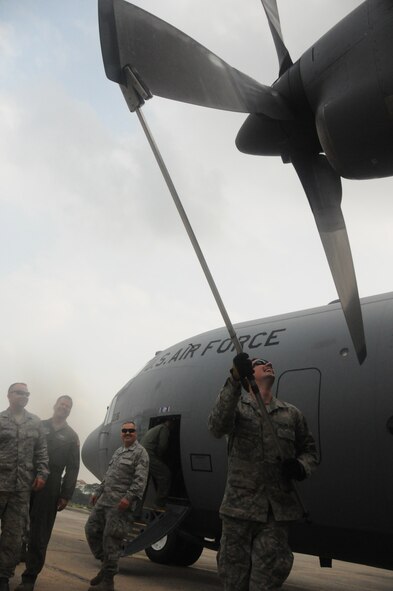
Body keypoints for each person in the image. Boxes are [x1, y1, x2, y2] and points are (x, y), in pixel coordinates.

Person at [208, 354, 318, 591]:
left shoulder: (291, 414)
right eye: (259, 364)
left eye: (269, 363)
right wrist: (234, 378)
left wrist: (300, 466)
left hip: (275, 513)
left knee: (266, 582)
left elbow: (310, 453)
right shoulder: (237, 408)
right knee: (233, 580)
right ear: (250, 376)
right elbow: (217, 426)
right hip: (239, 511)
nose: (267, 364)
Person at [16, 395, 80, 591]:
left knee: (40, 532)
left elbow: (72, 468)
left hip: (51, 485)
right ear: (55, 405)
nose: (64, 407)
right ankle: (7, 567)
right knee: (15, 525)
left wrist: (66, 494)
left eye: (68, 406)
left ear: (70, 410)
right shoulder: (38, 425)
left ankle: (29, 578)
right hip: (27, 478)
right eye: (62, 404)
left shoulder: (72, 436)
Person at [85, 421, 149, 591]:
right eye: (125, 431)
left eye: (131, 430)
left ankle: (108, 582)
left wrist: (128, 498)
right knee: (91, 529)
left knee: (111, 540)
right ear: (121, 433)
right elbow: (108, 476)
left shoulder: (140, 454)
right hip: (104, 500)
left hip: (120, 504)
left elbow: (140, 481)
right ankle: (106, 566)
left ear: (136, 433)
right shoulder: (119, 452)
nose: (127, 433)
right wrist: (98, 492)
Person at [0, 383, 49, 591]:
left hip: (21, 489)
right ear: (9, 395)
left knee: (13, 535)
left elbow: (42, 451)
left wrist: (42, 473)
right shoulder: (0, 420)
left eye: (27, 393)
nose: (24, 396)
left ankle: (3, 576)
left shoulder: (35, 422)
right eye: (20, 392)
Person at [140, 419, 173, 509]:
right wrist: (159, 457)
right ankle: (159, 503)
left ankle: (136, 512)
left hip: (141, 456)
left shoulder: (154, 429)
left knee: (144, 485)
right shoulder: (164, 429)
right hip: (149, 455)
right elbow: (163, 445)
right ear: (169, 423)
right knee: (165, 475)